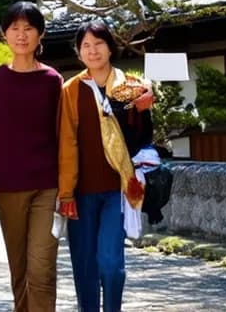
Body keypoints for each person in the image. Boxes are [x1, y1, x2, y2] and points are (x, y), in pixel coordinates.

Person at [57, 20, 155, 312]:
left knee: (111, 263)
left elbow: (145, 137)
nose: (92, 50)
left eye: (98, 43)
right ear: (78, 52)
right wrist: (65, 192)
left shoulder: (131, 87)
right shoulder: (71, 90)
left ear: (110, 48)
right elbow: (66, 143)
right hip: (81, 192)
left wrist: (145, 106)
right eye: (85, 45)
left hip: (118, 190)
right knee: (84, 265)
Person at [0, 1, 63, 312]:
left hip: (47, 185)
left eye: (29, 28)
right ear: (4, 34)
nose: (21, 35)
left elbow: (63, 133)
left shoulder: (52, 80)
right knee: (19, 270)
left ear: (40, 34)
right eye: (14, 28)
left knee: (41, 269)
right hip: (7, 186)